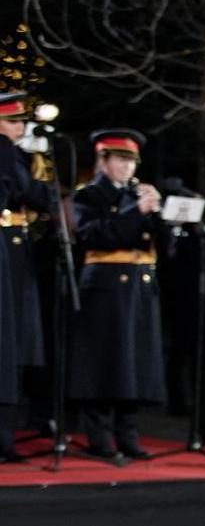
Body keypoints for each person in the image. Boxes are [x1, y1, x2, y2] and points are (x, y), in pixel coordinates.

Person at [67, 129, 166, 461]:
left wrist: (161, 214)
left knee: (133, 362)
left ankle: (128, 433)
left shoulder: (138, 195)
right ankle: (99, 436)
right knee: (105, 361)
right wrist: (137, 212)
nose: (127, 168)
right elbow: (97, 236)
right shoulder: (89, 196)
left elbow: (164, 245)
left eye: (131, 161)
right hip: (106, 286)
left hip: (140, 285)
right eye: (120, 160)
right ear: (103, 160)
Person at [0, 93, 54, 460]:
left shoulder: (22, 156)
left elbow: (43, 197)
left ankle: (6, 434)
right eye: (14, 120)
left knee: (15, 343)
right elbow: (23, 191)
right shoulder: (5, 152)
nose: (20, 128)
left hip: (19, 253)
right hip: (5, 244)